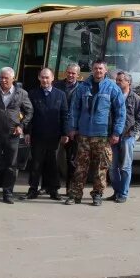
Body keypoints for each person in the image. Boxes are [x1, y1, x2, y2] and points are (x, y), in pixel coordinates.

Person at [66, 59, 125, 206]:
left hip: (103, 135)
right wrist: (72, 128)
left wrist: (116, 133)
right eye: (95, 68)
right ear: (92, 70)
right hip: (84, 134)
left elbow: (120, 112)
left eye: (101, 69)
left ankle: (97, 195)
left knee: (101, 167)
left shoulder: (112, 88)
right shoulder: (82, 87)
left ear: (105, 71)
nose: (98, 71)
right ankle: (75, 195)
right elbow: (74, 109)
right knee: (80, 166)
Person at [0, 66, 33, 204]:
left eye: (6, 78)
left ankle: (8, 194)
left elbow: (29, 112)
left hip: (12, 135)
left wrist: (21, 126)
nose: (3, 80)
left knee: (11, 166)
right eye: (1, 77)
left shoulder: (21, 93)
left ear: (13, 79)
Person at [23, 68, 69, 201]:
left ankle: (53, 190)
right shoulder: (32, 94)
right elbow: (28, 115)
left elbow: (64, 115)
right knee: (36, 163)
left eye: (47, 77)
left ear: (52, 78)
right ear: (39, 78)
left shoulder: (60, 95)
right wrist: (27, 132)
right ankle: (32, 189)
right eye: (42, 77)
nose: (45, 80)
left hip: (54, 135)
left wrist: (65, 133)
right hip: (37, 135)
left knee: (52, 164)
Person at [108, 71, 140, 203]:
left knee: (125, 167)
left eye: (120, 80)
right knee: (112, 167)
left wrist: (131, 133)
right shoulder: (113, 96)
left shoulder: (136, 99)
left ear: (128, 82)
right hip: (113, 136)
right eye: (117, 80)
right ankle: (116, 192)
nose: (117, 82)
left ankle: (123, 194)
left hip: (127, 138)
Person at [53, 63, 81, 196]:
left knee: (71, 160)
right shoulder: (57, 85)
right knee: (50, 158)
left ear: (78, 75)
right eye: (69, 72)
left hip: (72, 129)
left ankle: (70, 188)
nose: (70, 75)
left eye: (73, 73)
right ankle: (51, 186)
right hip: (55, 126)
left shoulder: (81, 88)